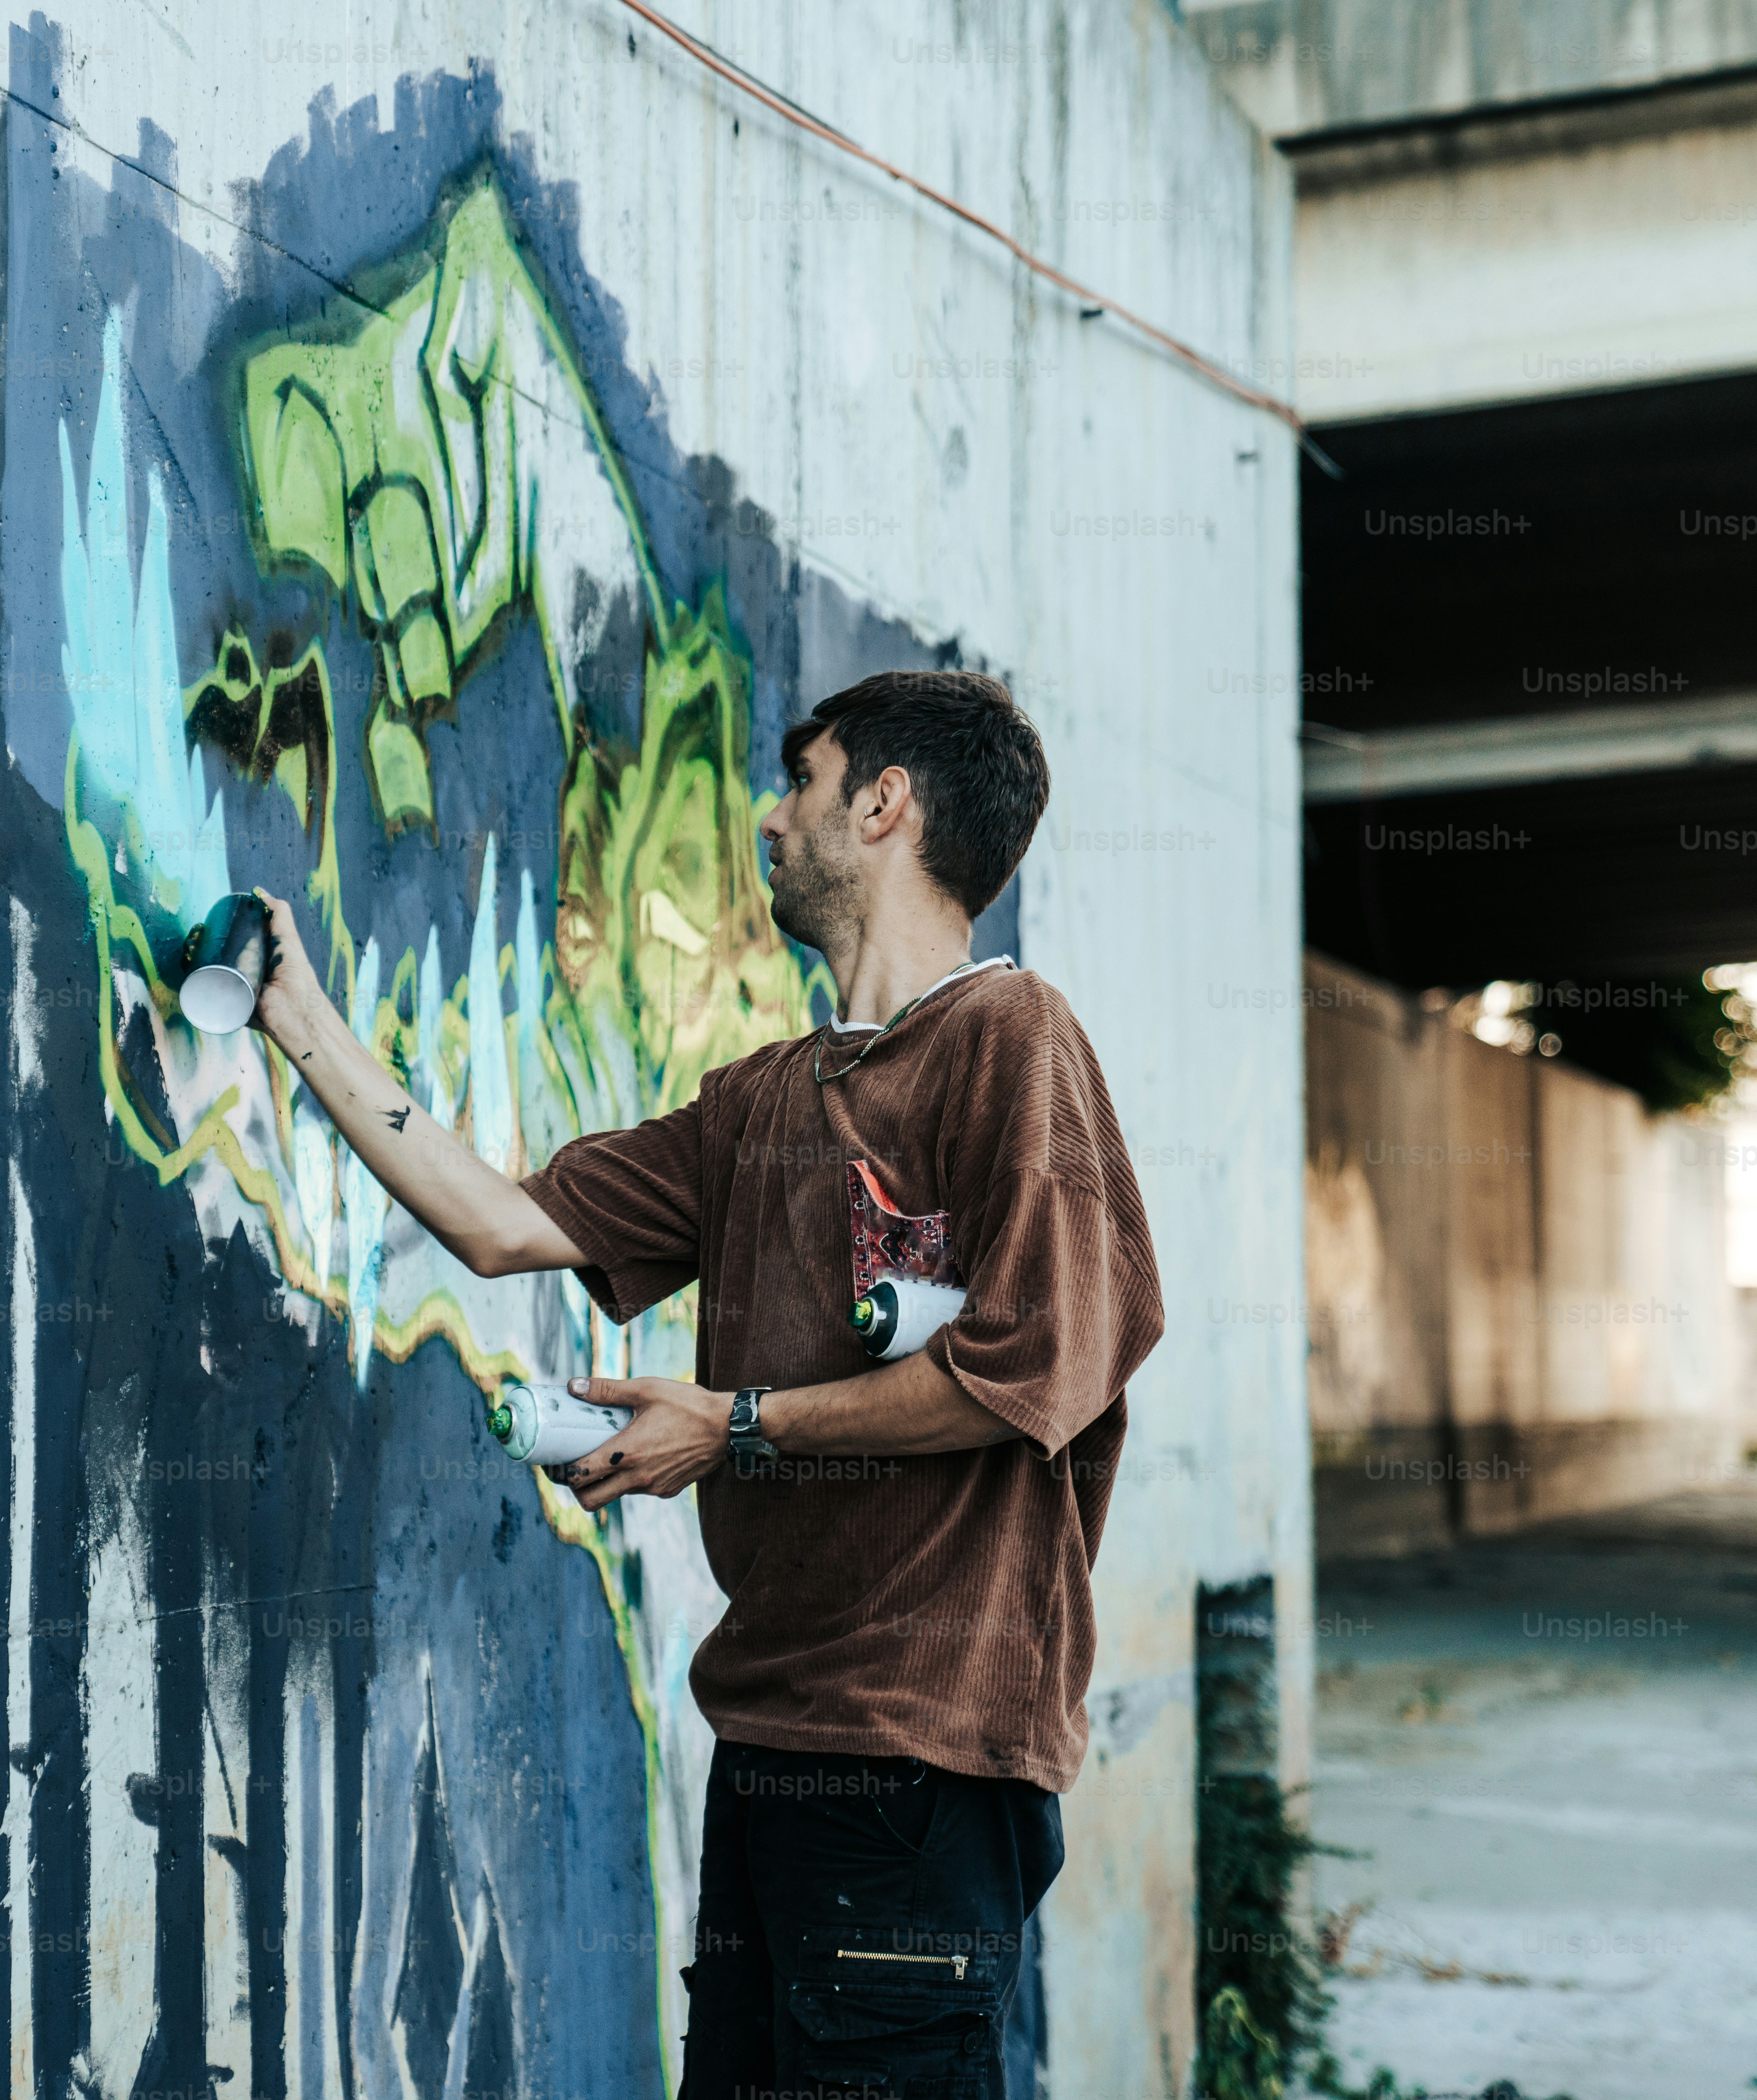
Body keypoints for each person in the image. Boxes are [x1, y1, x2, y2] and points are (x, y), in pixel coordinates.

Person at [250, 668, 1163, 2097]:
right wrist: (292, 1014)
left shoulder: (1013, 1041)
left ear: (885, 804)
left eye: (802, 780)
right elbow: (500, 1225)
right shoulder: (759, 1103)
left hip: (922, 1768)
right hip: (773, 1742)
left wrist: (728, 1427)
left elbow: (1026, 1371)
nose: (768, 817)